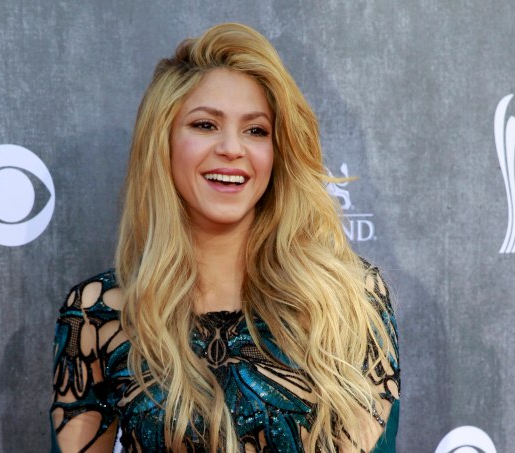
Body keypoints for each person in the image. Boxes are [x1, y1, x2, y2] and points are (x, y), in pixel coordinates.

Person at [50, 22, 399, 453]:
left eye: (256, 130)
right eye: (205, 125)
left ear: (277, 152)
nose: (232, 148)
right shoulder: (97, 315)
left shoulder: (350, 301)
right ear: (163, 143)